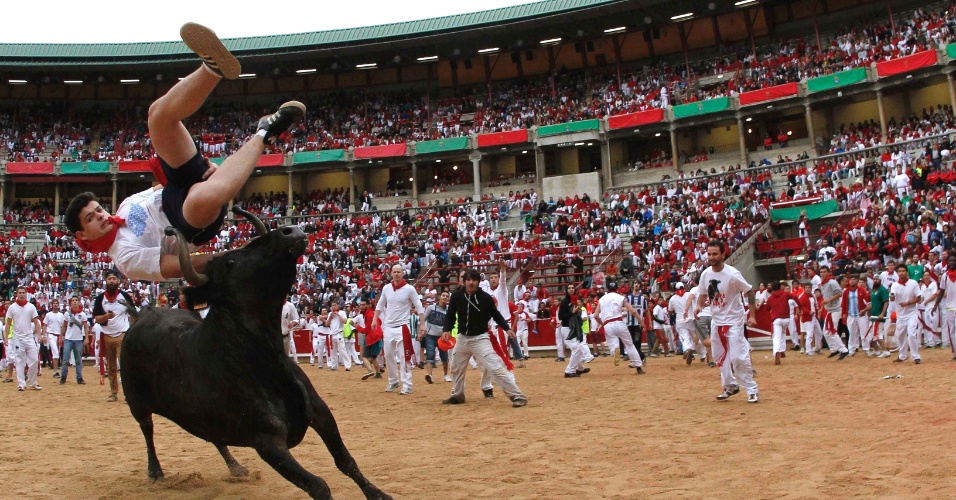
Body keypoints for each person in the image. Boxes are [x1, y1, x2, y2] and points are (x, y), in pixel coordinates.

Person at [62, 22, 306, 282]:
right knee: (206, 197)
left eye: (98, 209)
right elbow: (181, 265)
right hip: (187, 225)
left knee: (157, 117)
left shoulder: (124, 206)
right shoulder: (125, 257)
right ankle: (264, 132)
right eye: (91, 217)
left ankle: (212, 68)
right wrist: (241, 255)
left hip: (176, 190)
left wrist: (205, 168)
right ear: (83, 236)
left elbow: (159, 188)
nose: (101, 215)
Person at [441, 268, 528, 407]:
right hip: (462, 338)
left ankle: (517, 396)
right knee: (456, 367)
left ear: (478, 282)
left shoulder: (485, 298)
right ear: (464, 281)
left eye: (474, 280)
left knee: (495, 367)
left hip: (480, 338)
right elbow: (450, 315)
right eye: (468, 280)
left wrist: (507, 328)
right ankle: (457, 395)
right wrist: (446, 329)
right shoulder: (456, 296)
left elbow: (496, 314)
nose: (471, 283)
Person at [694, 241, 759, 403]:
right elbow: (702, 293)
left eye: (715, 254)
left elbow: (750, 293)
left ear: (723, 254)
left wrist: (752, 316)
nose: (711, 257)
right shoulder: (705, 274)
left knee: (737, 357)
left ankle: (751, 389)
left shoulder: (733, 274)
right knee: (719, 356)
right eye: (709, 254)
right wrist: (698, 306)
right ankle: (730, 385)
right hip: (717, 321)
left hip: (734, 321)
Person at [373, 264, 425, 395]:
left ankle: (407, 384)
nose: (396, 274)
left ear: (403, 273)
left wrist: (422, 324)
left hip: (403, 326)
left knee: (404, 356)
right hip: (389, 326)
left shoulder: (409, 289)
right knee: (389, 355)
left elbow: (419, 306)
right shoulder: (386, 288)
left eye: (398, 272)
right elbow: (380, 305)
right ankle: (393, 381)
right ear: (391, 273)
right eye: (394, 272)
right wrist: (375, 319)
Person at [92, 272, 136, 402]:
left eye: (114, 278)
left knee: (124, 365)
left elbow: (133, 314)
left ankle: (128, 393)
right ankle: (113, 392)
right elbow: (97, 318)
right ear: (105, 281)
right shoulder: (100, 298)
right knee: (111, 367)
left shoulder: (125, 296)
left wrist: (132, 330)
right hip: (107, 335)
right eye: (109, 278)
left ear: (118, 281)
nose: (111, 281)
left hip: (122, 334)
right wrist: (106, 317)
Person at [593, 281, 645, 375]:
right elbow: (632, 310)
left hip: (608, 323)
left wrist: (602, 324)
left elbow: (596, 315)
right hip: (619, 322)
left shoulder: (602, 299)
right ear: (617, 288)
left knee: (613, 344)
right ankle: (638, 367)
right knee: (629, 345)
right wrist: (641, 322)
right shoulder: (620, 297)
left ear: (607, 289)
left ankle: (615, 351)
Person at [5, 287, 42, 391]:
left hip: (29, 337)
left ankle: (33, 381)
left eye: (23, 293)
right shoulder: (12, 307)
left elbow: (36, 322)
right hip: (17, 338)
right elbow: (8, 324)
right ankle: (21, 384)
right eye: (19, 293)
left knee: (35, 359)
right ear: (16, 294)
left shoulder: (31, 307)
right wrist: (6, 337)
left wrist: (39, 335)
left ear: (26, 294)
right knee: (19, 361)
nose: (21, 295)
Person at [891, 265, 922, 364]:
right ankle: (903, 355)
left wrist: (908, 303)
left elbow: (918, 298)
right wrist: (891, 297)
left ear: (907, 272)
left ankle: (916, 356)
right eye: (899, 271)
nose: (901, 273)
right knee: (901, 336)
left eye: (903, 271)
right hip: (900, 315)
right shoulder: (895, 285)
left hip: (912, 312)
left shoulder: (913, 283)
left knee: (912, 334)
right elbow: (893, 294)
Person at [558, 284, 591, 378]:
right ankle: (569, 370)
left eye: (572, 288)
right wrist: (572, 312)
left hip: (574, 328)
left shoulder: (576, 300)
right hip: (567, 328)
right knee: (577, 349)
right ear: (566, 290)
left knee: (577, 349)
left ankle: (580, 368)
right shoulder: (564, 302)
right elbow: (561, 317)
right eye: (569, 288)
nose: (571, 289)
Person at [420, 291, 452, 383]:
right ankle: (430, 375)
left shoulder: (448, 311)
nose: (445, 297)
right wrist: (422, 329)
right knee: (430, 355)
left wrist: (448, 333)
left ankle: (446, 374)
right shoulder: (431, 308)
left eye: (447, 296)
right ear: (440, 297)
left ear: (448, 299)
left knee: (444, 357)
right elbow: (423, 319)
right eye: (443, 295)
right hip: (430, 335)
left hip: (442, 337)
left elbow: (449, 324)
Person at [818, 267, 850, 360]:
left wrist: (828, 300)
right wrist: (822, 308)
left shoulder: (832, 282)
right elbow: (826, 298)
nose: (823, 274)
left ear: (828, 273)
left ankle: (843, 349)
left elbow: (839, 293)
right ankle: (834, 349)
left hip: (835, 310)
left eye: (824, 272)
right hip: (830, 310)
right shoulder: (824, 284)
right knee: (826, 331)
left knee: (831, 331)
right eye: (821, 272)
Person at [766, 281, 799, 365]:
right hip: (787, 319)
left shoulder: (770, 298)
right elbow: (795, 297)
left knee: (777, 336)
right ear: (780, 286)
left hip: (777, 319)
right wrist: (800, 307)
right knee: (783, 333)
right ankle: (782, 350)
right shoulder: (786, 294)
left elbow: (766, 308)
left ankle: (777, 352)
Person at [60, 296, 90, 385]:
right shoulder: (67, 314)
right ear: (70, 303)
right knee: (65, 359)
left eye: (76, 300)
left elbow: (85, 327)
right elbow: (64, 325)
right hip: (68, 338)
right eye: (73, 300)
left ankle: (79, 377)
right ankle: (63, 376)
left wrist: (87, 338)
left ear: (79, 302)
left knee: (78, 360)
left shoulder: (83, 314)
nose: (74, 302)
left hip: (78, 339)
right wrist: (61, 335)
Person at [933, 253, 956, 359]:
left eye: (953, 260)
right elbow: (941, 291)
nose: (952, 263)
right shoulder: (945, 276)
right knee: (951, 331)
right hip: (950, 306)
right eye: (950, 261)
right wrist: (935, 304)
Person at [841, 274, 871, 356]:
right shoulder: (846, 291)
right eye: (850, 279)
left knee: (864, 332)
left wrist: (865, 310)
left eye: (854, 279)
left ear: (857, 281)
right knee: (852, 333)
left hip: (861, 315)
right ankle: (852, 349)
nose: (852, 281)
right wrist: (844, 313)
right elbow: (843, 303)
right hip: (851, 315)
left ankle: (866, 349)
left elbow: (868, 301)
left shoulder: (862, 290)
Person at [42, 299, 65, 377]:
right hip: (51, 334)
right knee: (55, 352)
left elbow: (63, 326)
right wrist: (44, 336)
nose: (55, 305)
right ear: (52, 305)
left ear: (58, 305)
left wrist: (62, 336)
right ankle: (55, 371)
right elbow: (44, 325)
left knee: (57, 353)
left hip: (58, 335)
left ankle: (55, 369)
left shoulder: (61, 315)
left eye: (56, 303)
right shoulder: (48, 314)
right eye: (54, 303)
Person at [326, 302, 351, 371]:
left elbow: (345, 321)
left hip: (339, 333)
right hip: (332, 334)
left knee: (342, 350)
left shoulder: (342, 312)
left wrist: (338, 315)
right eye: (332, 305)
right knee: (333, 351)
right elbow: (327, 324)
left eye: (335, 305)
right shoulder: (330, 314)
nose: (333, 306)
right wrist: (330, 317)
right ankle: (334, 366)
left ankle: (348, 366)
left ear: (337, 306)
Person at [281, 296, 300, 363]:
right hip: (274, 337)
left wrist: (293, 323)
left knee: (285, 358)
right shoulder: (271, 305)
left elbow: (297, 319)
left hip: (285, 336)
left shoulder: (290, 306)